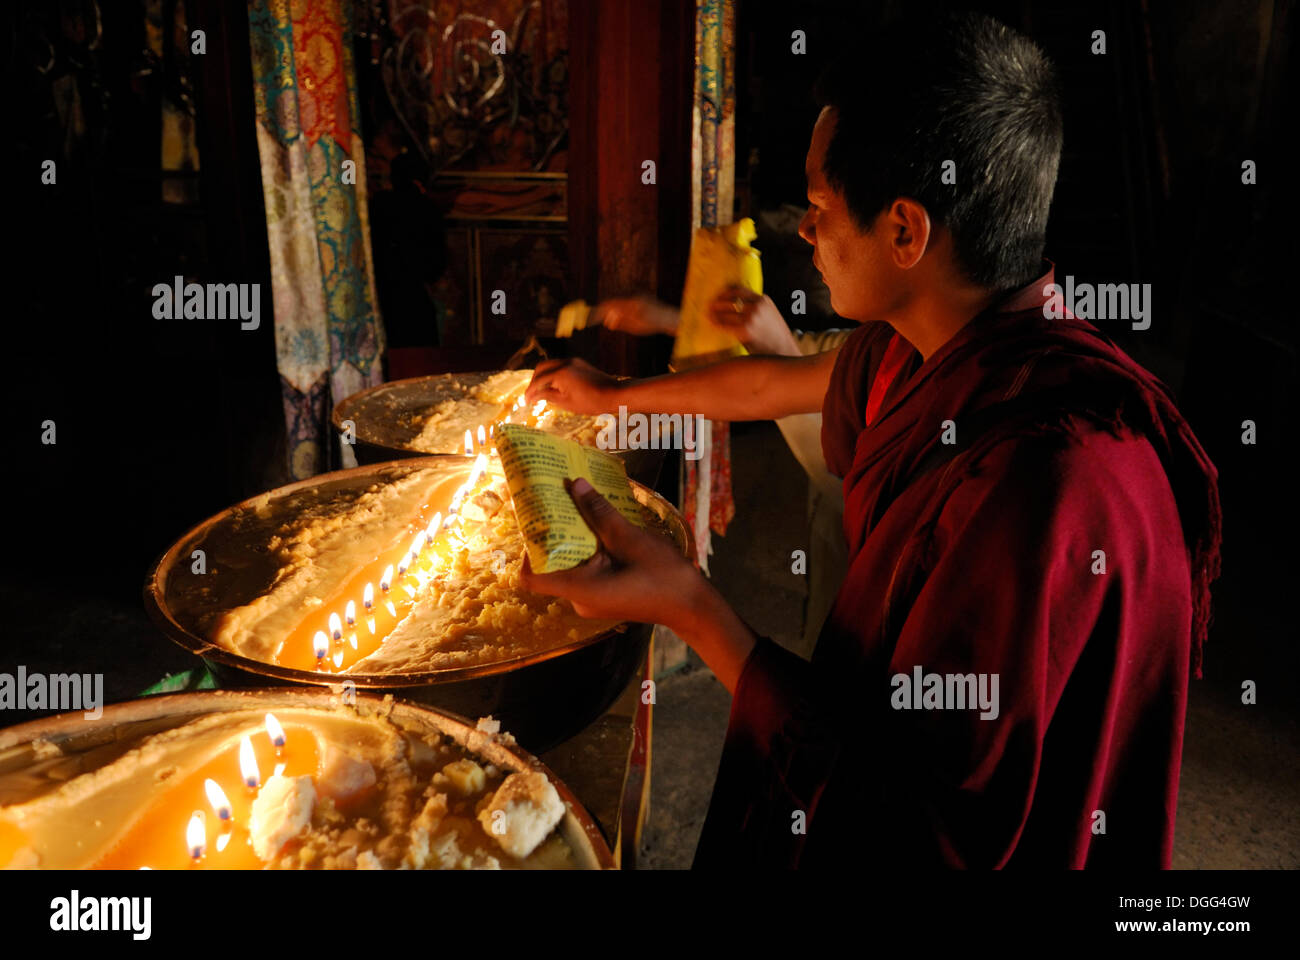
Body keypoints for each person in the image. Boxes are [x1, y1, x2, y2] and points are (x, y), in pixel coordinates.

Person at [521, 12, 1221, 868]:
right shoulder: (930, 341)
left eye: (817, 206)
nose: (806, 233)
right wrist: (617, 396)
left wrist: (688, 604)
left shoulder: (1042, 480)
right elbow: (771, 383)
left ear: (904, 231)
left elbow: (923, 823)